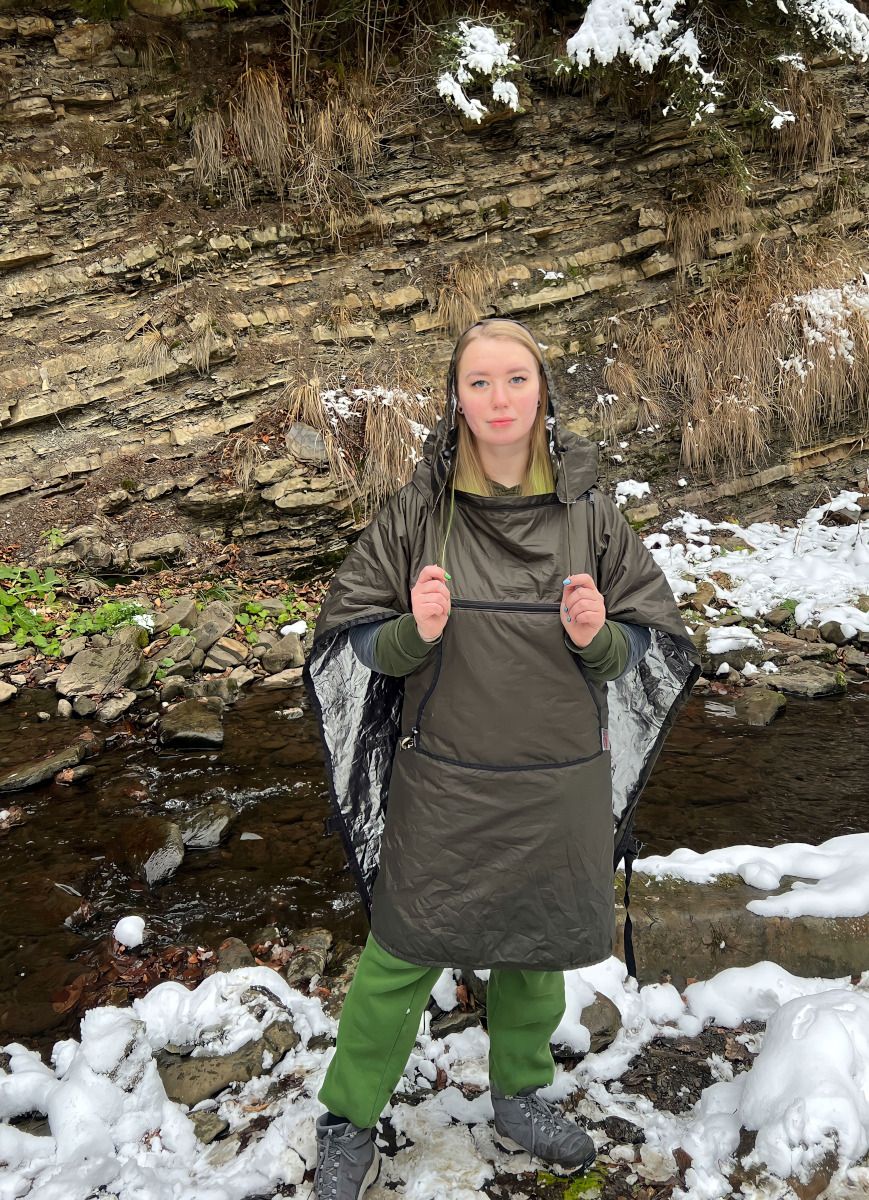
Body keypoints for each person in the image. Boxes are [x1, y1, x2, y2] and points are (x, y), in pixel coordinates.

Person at [303, 317, 700, 1199]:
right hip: (442, 779)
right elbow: (351, 640)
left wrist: (598, 639)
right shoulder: (417, 514)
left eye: (515, 378)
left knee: (537, 945)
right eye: (478, 382)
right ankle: (349, 1119)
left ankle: (519, 1097)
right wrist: (413, 631)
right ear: (455, 399)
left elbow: (649, 646)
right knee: (399, 953)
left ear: (542, 391)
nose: (498, 398)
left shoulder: (591, 516)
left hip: (559, 779)